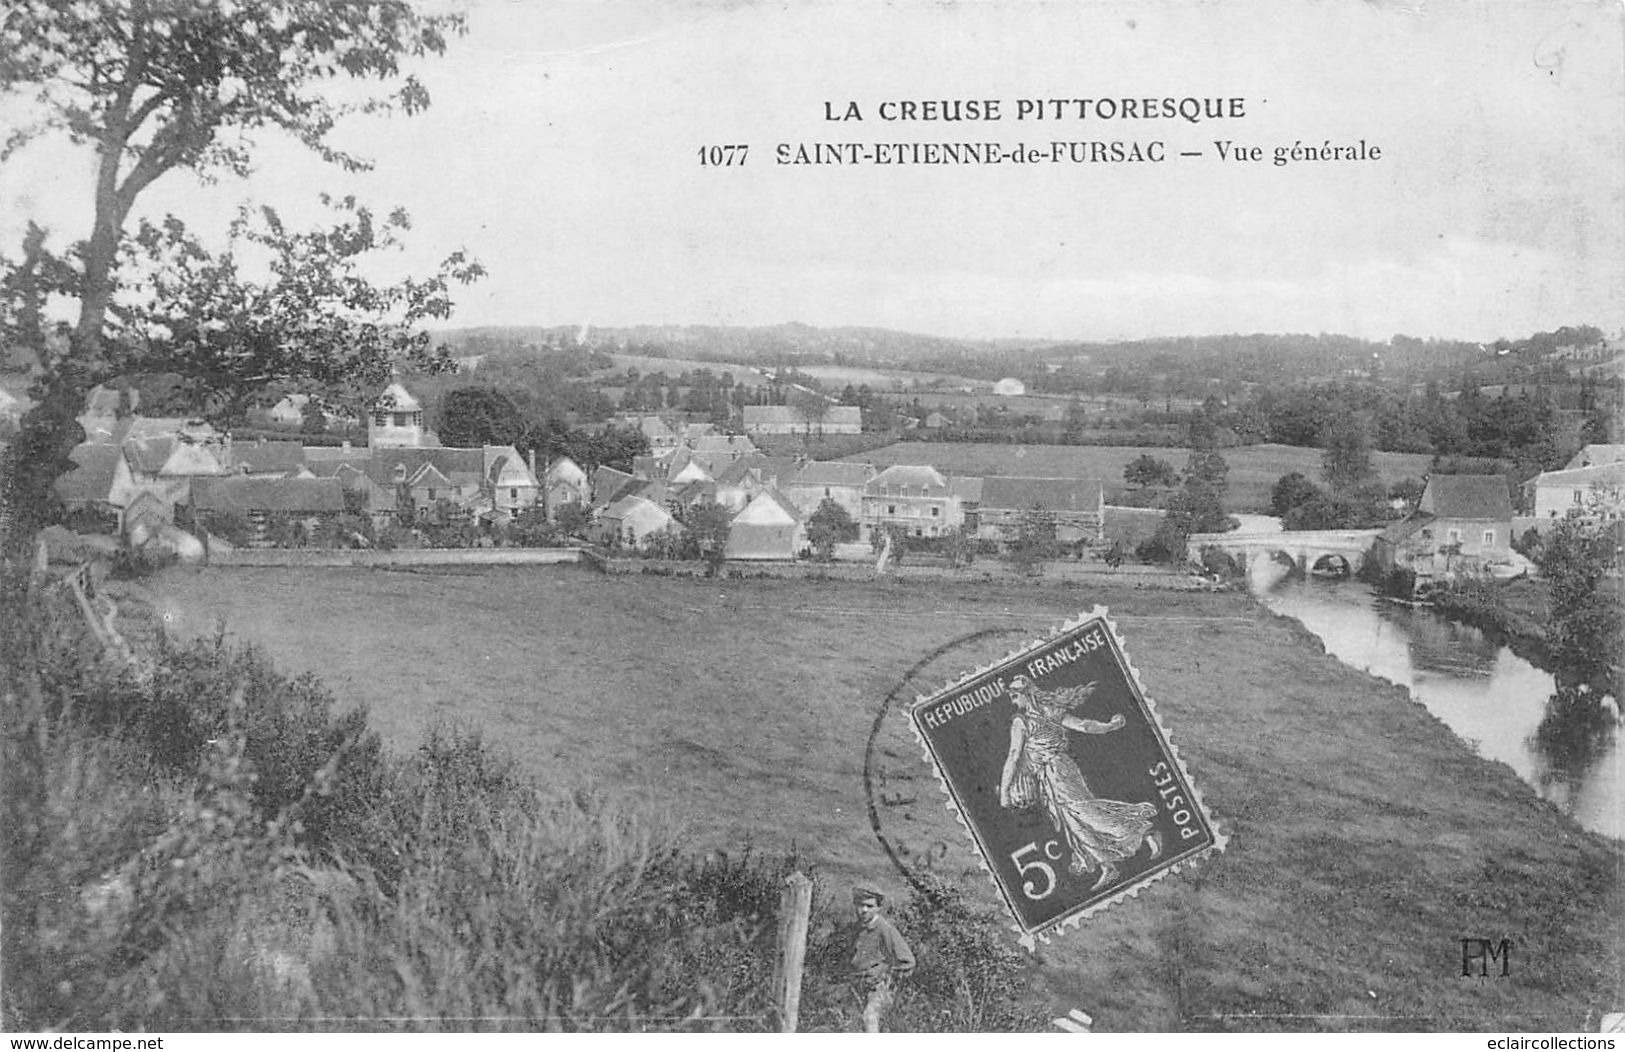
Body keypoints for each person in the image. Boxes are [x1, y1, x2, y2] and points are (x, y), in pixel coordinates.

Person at [998, 674, 1161, 891]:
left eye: (1015, 695)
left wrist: (1004, 792)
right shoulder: (1049, 713)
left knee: (1086, 813)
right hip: (1054, 773)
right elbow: (1084, 725)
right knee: (1071, 821)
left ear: (1028, 695)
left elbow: (1013, 755)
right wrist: (1110, 726)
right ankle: (1107, 865)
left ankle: (1143, 830)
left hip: (1057, 772)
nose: (1013, 700)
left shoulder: (1022, 721)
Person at [847, 886, 915, 1032]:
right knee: (848, 1023)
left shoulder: (885, 929)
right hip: (857, 986)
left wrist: (885, 976)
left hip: (877, 989)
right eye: (860, 905)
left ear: (878, 908)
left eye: (870, 906)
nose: (864, 910)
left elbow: (908, 961)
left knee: (869, 1018)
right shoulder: (857, 928)